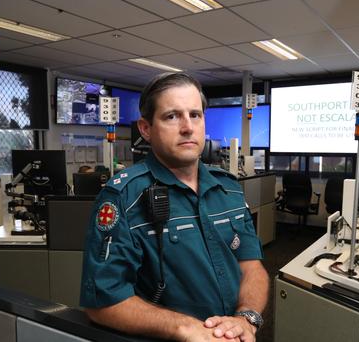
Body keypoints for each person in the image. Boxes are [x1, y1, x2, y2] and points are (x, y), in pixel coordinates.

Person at [80, 72, 269, 341]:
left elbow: (252, 267)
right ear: (146, 129)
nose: (188, 127)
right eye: (172, 116)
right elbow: (102, 302)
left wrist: (246, 318)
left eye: (195, 115)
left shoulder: (228, 188)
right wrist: (185, 328)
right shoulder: (123, 197)